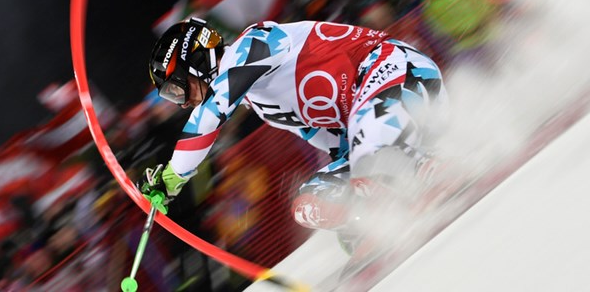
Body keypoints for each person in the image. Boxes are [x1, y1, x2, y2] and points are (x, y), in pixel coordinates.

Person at [137, 17, 449, 253]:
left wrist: (172, 176)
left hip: (400, 75)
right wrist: (352, 212)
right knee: (309, 203)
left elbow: (212, 113)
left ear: (197, 63)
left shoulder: (256, 42)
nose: (183, 102)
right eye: (172, 97)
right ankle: (391, 212)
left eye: (177, 89)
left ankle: (431, 170)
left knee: (369, 163)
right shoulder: (260, 102)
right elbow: (332, 141)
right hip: (379, 123)